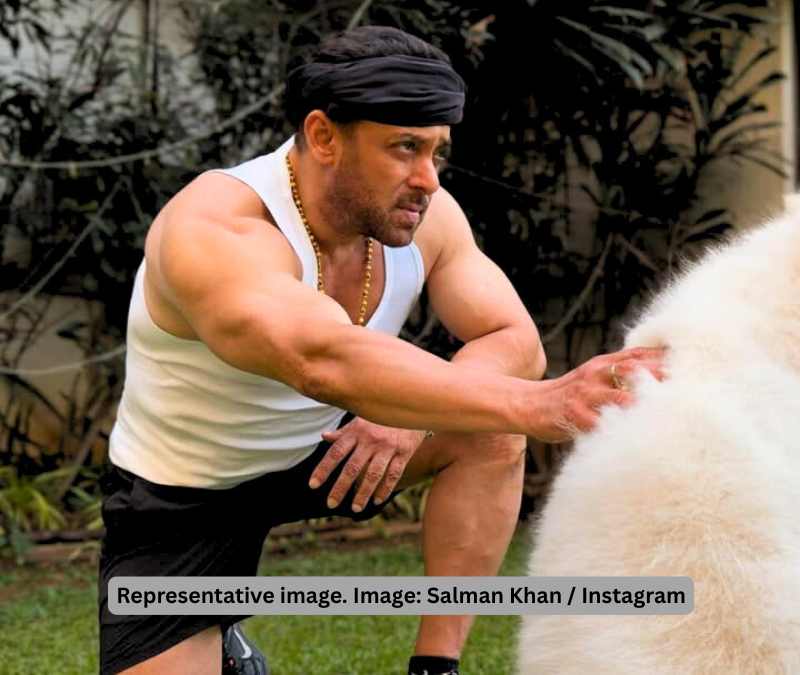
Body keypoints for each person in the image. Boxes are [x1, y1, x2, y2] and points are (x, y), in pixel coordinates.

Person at [97, 25, 665, 675]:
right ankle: (221, 639)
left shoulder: (426, 216)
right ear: (323, 136)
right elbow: (321, 357)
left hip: (326, 449)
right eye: (404, 148)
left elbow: (512, 338)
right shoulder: (217, 226)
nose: (428, 180)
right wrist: (540, 403)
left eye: (437, 152)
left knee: (487, 429)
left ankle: (436, 667)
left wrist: (413, 415)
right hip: (186, 491)